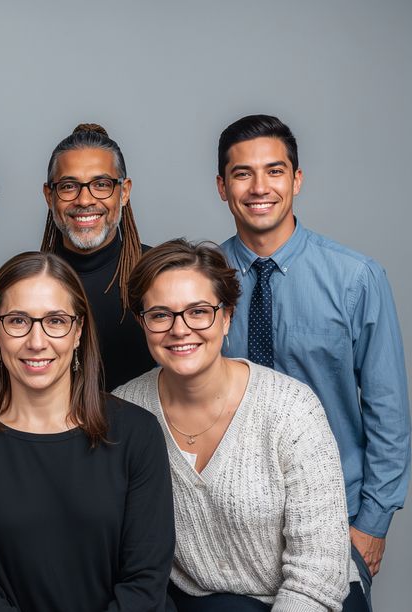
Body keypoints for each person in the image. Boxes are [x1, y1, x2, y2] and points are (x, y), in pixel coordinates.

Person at [216, 114, 409, 599]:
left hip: (334, 515)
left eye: (275, 171)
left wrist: (372, 522)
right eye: (243, 173)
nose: (260, 187)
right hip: (230, 521)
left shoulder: (356, 278)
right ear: (222, 186)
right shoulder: (201, 282)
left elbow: (388, 410)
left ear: (297, 180)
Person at [114, 239, 366, 611]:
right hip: (210, 603)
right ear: (143, 322)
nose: (180, 329)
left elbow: (319, 571)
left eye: (199, 311)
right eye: (160, 314)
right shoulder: (123, 411)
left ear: (227, 315)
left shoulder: (291, 408)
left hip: (313, 598)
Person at [0, 251, 174, 611]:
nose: (36, 341)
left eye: (56, 321)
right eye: (18, 321)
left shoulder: (137, 433)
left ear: (78, 332)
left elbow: (144, 582)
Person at [40, 123, 154, 390]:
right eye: (69, 186)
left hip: (142, 429)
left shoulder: (159, 276)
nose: (84, 200)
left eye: (101, 184)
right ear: (49, 196)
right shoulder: (27, 284)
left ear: (124, 192)